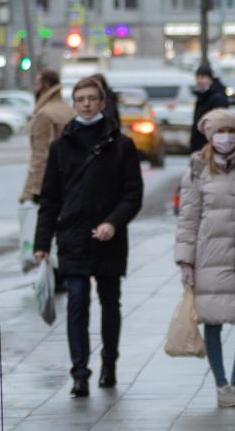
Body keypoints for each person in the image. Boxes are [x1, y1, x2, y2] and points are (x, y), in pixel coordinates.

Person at [32, 74, 143, 397]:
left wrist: (113, 222)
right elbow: (49, 199)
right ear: (73, 104)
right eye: (80, 99)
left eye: (92, 99)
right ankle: (80, 371)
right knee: (77, 302)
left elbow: (132, 194)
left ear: (102, 103)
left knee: (110, 302)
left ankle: (110, 362)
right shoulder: (61, 146)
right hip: (74, 237)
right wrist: (42, 243)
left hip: (109, 238)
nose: (86, 104)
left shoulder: (121, 145)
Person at [176, 109, 235, 407]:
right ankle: (221, 386)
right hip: (211, 256)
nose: (227, 137)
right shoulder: (196, 171)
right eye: (221, 131)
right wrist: (185, 261)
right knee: (213, 320)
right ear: (210, 136)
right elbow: (188, 219)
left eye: (231, 130)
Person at [20, 67, 71, 206]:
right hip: (70, 178)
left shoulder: (44, 114)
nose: (34, 88)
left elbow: (40, 154)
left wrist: (31, 190)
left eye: (36, 84)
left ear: (45, 86)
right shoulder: (68, 109)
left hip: (50, 182)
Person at [189, 62, 228, 156]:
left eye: (202, 77)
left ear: (210, 79)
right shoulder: (202, 97)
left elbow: (219, 125)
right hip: (202, 147)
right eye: (197, 77)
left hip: (210, 148)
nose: (199, 81)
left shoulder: (217, 98)